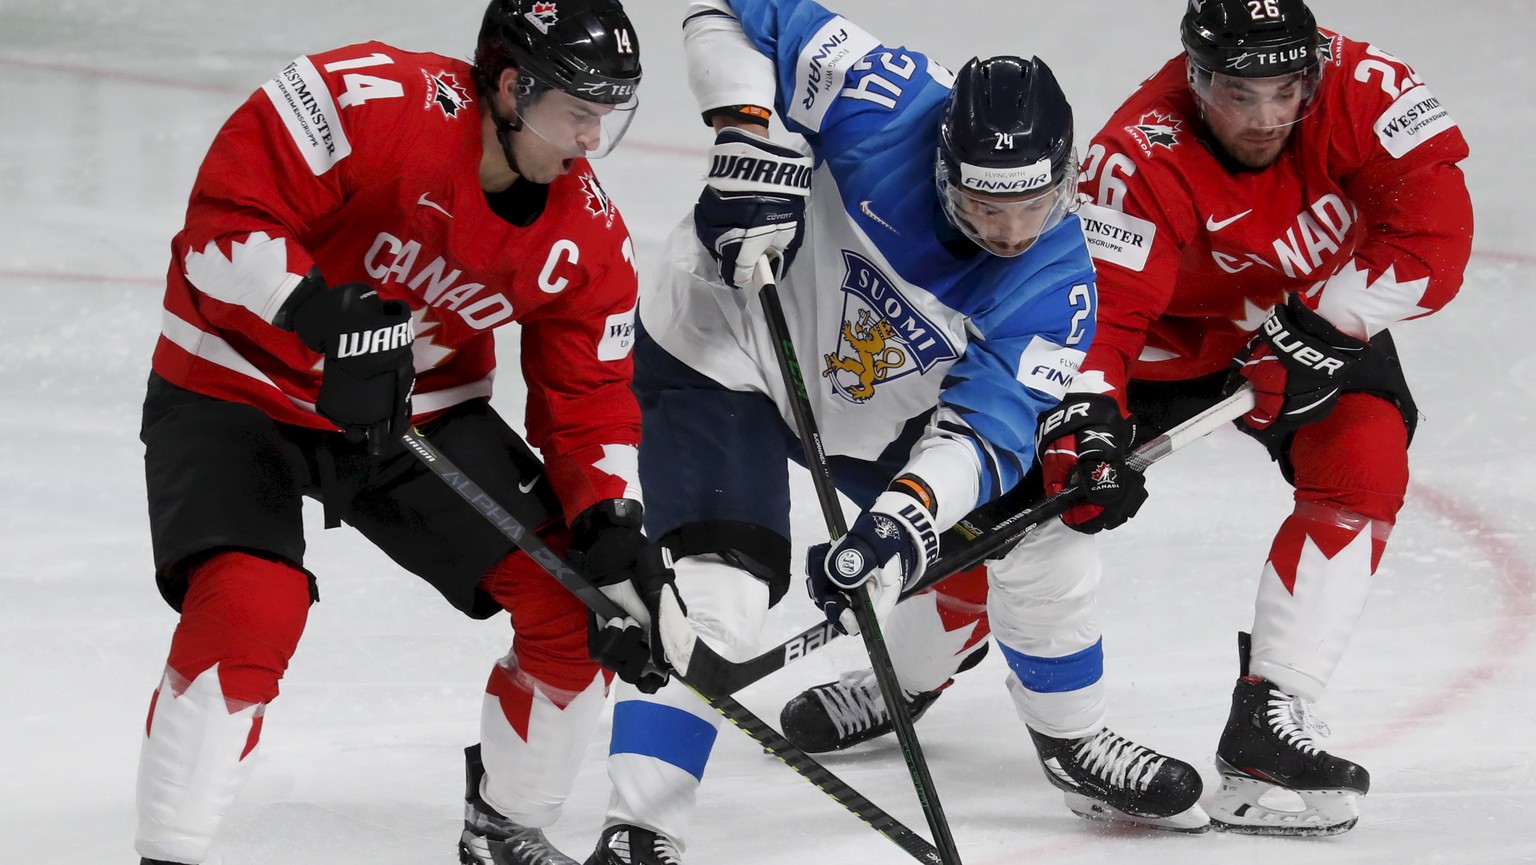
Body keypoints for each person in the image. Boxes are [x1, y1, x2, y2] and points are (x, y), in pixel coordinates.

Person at [782, 0, 1473, 837]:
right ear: (1194, 75)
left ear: (1316, 72)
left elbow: (1437, 238)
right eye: (1234, 92)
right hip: (1155, 349)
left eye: (1284, 92)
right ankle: (910, 667)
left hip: (1313, 318)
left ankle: (1271, 717)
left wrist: (1326, 324)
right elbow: (1098, 317)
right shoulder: (1137, 153)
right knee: (1020, 510)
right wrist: (1089, 425)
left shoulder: (1373, 87)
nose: (1261, 118)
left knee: (1366, 460)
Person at [578, 1, 1207, 861]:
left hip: (872, 407)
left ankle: (1071, 739)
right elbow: (730, 10)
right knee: (718, 594)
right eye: (986, 207)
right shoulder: (884, 96)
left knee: (1041, 535)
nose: (1011, 233)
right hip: (721, 349)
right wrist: (745, 130)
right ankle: (641, 826)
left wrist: (901, 526)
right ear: (942, 163)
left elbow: (986, 433)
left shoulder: (1056, 280)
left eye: (1034, 205)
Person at [132, 3, 682, 864]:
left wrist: (611, 517)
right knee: (250, 603)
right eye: (579, 109)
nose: (592, 136)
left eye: (607, 112)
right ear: (510, 86)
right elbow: (220, 225)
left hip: (411, 416)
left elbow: (590, 400)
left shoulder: (588, 240)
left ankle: (504, 826)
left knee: (578, 608)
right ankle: (170, 851)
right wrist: (315, 307)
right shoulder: (373, 97)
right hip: (237, 380)